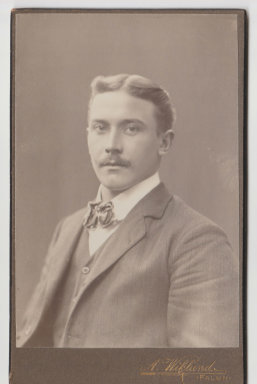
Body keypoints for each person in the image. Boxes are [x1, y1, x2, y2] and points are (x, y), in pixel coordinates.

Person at [17, 74, 239, 348]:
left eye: (131, 128)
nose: (112, 145)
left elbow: (201, 375)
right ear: (87, 135)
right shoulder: (68, 228)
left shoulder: (198, 241)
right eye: (100, 127)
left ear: (164, 142)